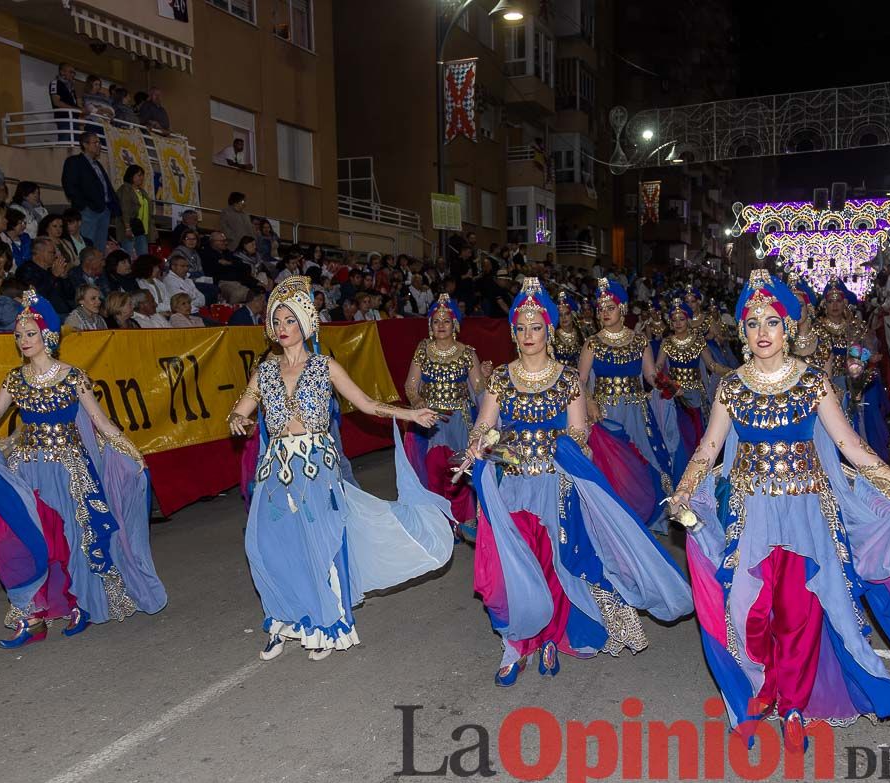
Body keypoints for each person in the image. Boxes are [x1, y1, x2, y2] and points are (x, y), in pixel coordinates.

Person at [670, 269, 890, 750]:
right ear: (742, 332)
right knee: (747, 612)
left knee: (799, 615)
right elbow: (707, 450)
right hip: (751, 517)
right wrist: (683, 491)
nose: (763, 331)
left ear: (787, 328)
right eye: (753, 322)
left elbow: (853, 448)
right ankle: (761, 692)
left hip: (808, 518)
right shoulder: (732, 388)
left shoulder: (813, 384)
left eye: (772, 321)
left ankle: (796, 708)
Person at [465, 277, 692, 686]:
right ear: (514, 333)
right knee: (515, 561)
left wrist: (551, 447)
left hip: (555, 482)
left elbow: (578, 433)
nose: (529, 335)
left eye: (536, 327)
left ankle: (551, 635)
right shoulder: (501, 378)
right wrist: (479, 446)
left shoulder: (567, 379)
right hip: (512, 483)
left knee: (554, 560)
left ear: (548, 330)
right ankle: (516, 644)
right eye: (521, 328)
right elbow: (483, 425)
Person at [226, 276, 453, 661]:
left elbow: (366, 404)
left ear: (305, 323)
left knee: (320, 545)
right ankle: (283, 618)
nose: (282, 329)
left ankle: (328, 623)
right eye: (277, 322)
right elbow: (241, 407)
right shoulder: (264, 370)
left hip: (316, 467)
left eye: (290, 321)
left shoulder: (324, 366)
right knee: (263, 545)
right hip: (277, 469)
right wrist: (236, 418)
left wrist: (409, 412)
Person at [0, 290, 166, 647]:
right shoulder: (14, 379)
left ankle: (79, 603)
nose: (23, 341)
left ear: (48, 334)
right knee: (14, 535)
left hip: (67, 471)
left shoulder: (72, 377)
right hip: (26, 469)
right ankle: (31, 616)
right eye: (19, 335)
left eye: (31, 333)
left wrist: (132, 452)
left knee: (73, 539)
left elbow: (100, 421)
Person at [577, 278, 674, 530]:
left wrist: (667, 384)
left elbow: (650, 375)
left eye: (609, 307)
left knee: (645, 459)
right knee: (613, 465)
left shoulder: (639, 341)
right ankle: (614, 521)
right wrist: (590, 404)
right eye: (601, 308)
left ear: (622, 309)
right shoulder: (592, 343)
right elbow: (581, 381)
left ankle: (647, 516)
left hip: (636, 411)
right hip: (606, 412)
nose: (604, 313)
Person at [402, 294, 490, 536]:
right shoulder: (423, 350)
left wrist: (486, 376)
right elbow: (411, 385)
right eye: (436, 321)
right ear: (430, 325)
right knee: (432, 470)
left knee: (458, 472)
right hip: (430, 422)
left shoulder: (467, 353)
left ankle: (463, 521)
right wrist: (419, 402)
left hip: (459, 422)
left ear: (456, 325)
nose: (441, 325)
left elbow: (480, 390)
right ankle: (440, 522)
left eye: (446, 321)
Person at [655, 297, 731, 483]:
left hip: (695, 395)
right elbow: (656, 369)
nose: (678, 323)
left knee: (698, 436)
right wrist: (669, 386)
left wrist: (732, 371)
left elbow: (712, 365)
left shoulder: (698, 341)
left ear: (688, 320)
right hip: (674, 396)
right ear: (670, 323)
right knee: (678, 437)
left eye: (682, 319)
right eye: (674, 320)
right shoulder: (666, 343)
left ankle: (698, 479)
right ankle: (680, 478)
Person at [61, 132, 120, 250]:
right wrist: (84, 206)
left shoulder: (97, 164)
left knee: (99, 248)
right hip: (88, 211)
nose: (99, 145)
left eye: (99, 142)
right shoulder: (74, 161)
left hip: (104, 209)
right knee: (87, 246)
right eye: (95, 142)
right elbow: (69, 185)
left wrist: (113, 206)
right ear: (85, 144)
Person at [16, 237, 70, 314]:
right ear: (39, 253)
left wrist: (64, 278)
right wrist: (54, 276)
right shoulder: (25, 270)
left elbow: (70, 295)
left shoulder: (52, 270)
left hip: (64, 312)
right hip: (43, 316)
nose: (55, 256)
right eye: (52, 252)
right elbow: (35, 296)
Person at [117, 165, 153, 257]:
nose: (141, 178)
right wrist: (127, 227)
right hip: (130, 228)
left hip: (141, 229)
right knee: (127, 256)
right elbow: (124, 209)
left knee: (143, 258)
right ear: (131, 175)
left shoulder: (142, 192)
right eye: (139, 175)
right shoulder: (125, 189)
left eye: (142, 175)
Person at [49, 63, 81, 142]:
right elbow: (56, 102)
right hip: (64, 118)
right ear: (62, 72)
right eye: (70, 72)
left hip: (74, 119)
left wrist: (81, 109)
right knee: (65, 142)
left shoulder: (71, 87)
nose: (73, 74)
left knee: (77, 144)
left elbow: (74, 104)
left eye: (74, 73)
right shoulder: (55, 83)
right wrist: (76, 109)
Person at [552, 292, 584, 367]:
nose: (564, 318)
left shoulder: (581, 334)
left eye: (567, 314)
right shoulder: (552, 337)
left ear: (572, 315)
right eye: (560, 315)